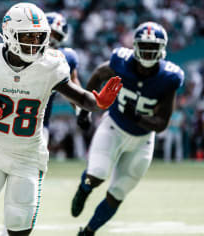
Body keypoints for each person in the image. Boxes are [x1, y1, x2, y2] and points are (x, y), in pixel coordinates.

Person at [0, 3, 122, 236]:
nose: (34, 43)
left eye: (39, 36)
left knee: (18, 222)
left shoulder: (51, 65)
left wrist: (98, 102)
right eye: (27, 36)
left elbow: (79, 96)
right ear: (9, 35)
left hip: (28, 156)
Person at [72, 22, 184, 236]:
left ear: (162, 48)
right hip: (113, 127)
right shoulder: (121, 60)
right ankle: (84, 188)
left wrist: (138, 117)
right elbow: (97, 74)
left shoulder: (169, 77)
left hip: (143, 140)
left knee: (118, 193)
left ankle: (88, 231)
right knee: (96, 174)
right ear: (135, 46)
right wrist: (85, 110)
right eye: (145, 46)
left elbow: (161, 124)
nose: (149, 52)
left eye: (154, 47)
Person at [43, 12, 82, 141]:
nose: (52, 39)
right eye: (50, 33)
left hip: (38, 126)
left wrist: (83, 111)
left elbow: (75, 88)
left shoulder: (65, 58)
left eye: (57, 36)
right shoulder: (19, 50)